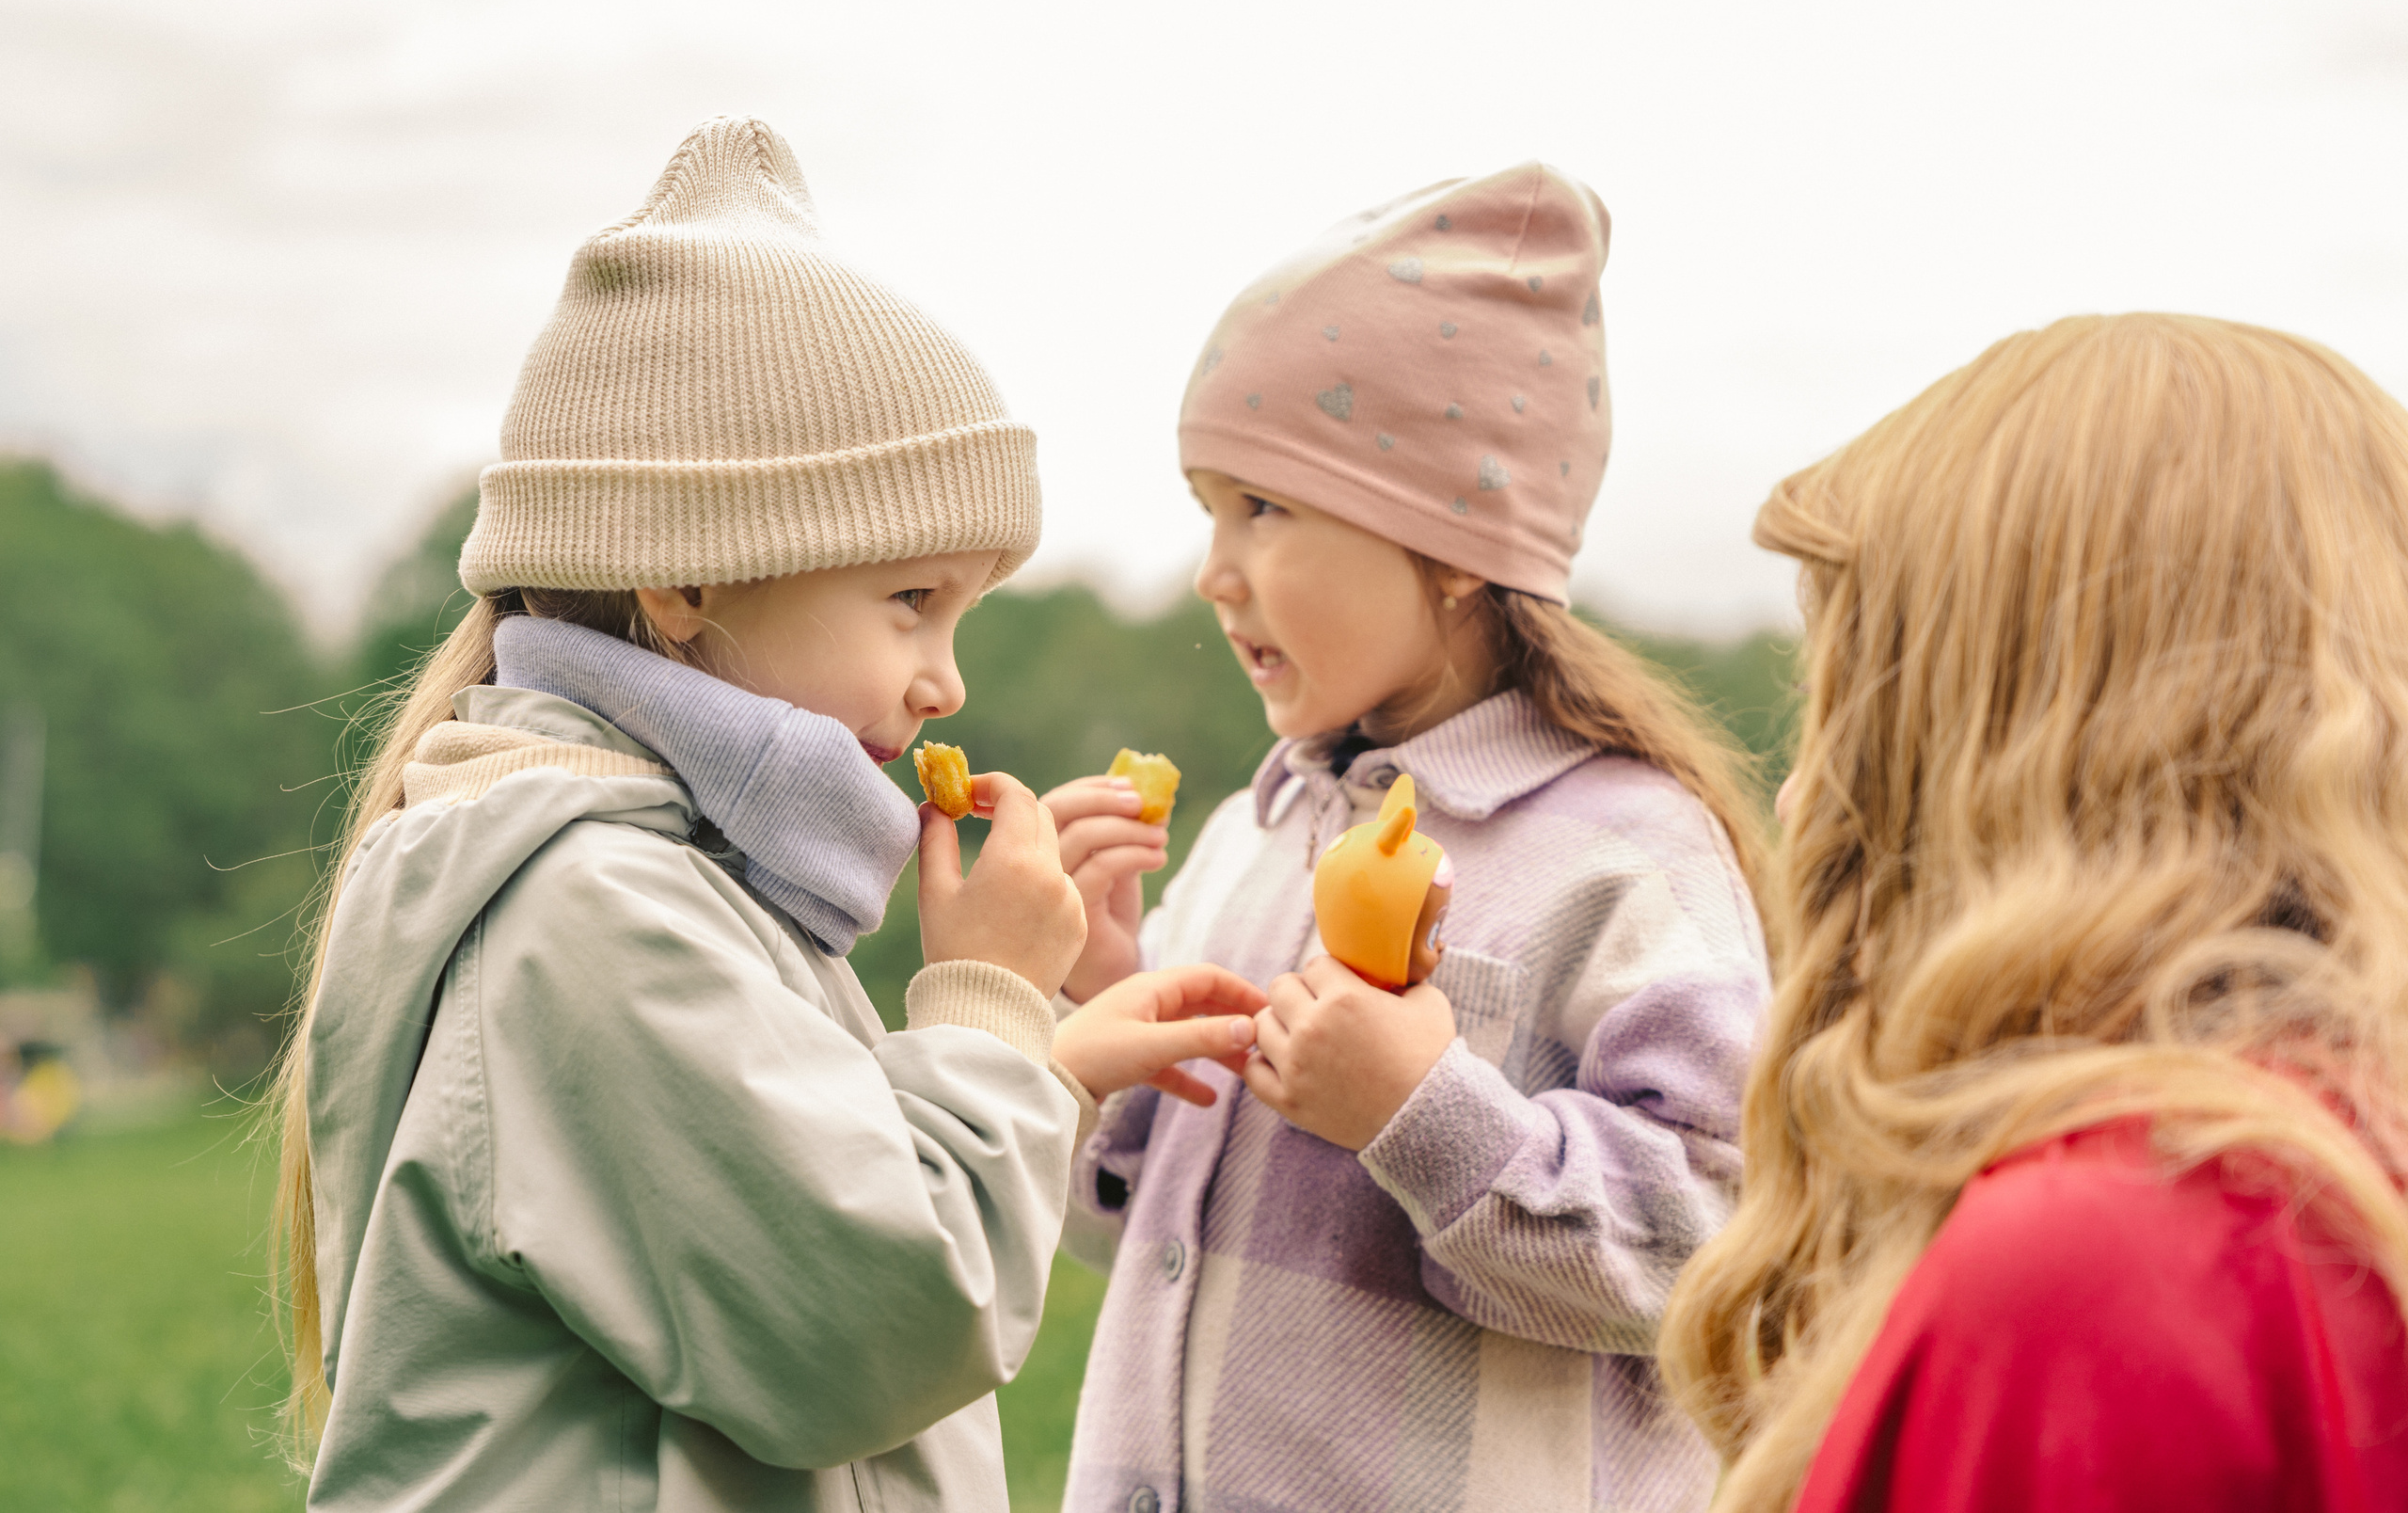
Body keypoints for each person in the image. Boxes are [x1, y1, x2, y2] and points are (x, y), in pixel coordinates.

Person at [267, 116, 1265, 1513]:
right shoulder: (582, 909)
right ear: (686, 582)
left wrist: (1052, 1059)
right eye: (911, 600)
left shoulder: (678, 879)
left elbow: (797, 1178)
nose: (946, 679)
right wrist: (985, 1003)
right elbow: (875, 1318)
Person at [1042, 166, 1774, 1512]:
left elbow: (1725, 1251)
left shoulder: (1625, 853)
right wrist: (1100, 996)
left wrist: (1420, 1113)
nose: (1213, 571)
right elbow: (1125, 1230)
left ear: (1452, 546)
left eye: (1264, 508)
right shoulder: (1252, 833)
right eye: (1209, 509)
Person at [1659, 314, 2408, 1511]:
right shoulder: (2339, 1164)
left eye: (1851, 711)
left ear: (2016, 757)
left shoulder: (2108, 1256)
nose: (1797, 795)